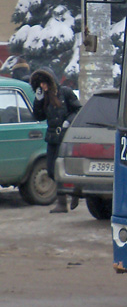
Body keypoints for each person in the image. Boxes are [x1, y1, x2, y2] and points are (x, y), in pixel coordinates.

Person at [30, 67, 81, 213]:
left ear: (50, 82)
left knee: (64, 168)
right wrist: (38, 100)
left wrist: (68, 122)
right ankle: (72, 193)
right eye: (40, 84)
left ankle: (65, 200)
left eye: (44, 83)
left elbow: (77, 109)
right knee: (52, 170)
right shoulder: (45, 97)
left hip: (65, 136)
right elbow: (39, 116)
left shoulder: (65, 93)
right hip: (52, 136)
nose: (42, 87)